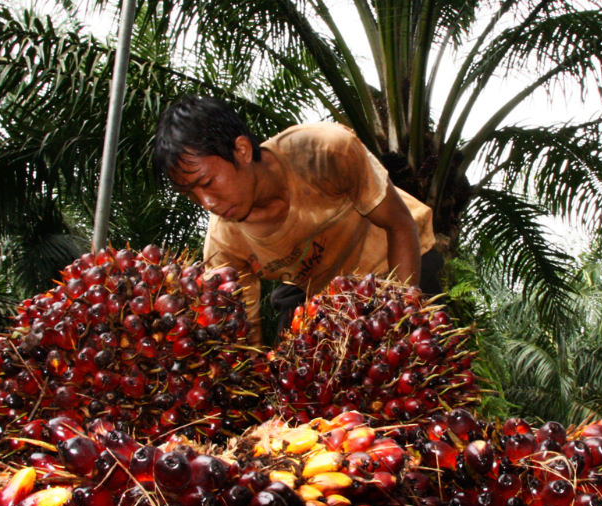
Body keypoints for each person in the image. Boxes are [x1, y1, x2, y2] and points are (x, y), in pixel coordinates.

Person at [153, 94, 441, 345]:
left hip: (401, 260)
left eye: (207, 182)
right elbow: (247, 336)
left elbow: (400, 225)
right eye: (191, 195)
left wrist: (402, 319)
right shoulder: (223, 244)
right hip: (330, 299)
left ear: (242, 150)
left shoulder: (326, 152)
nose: (207, 203)